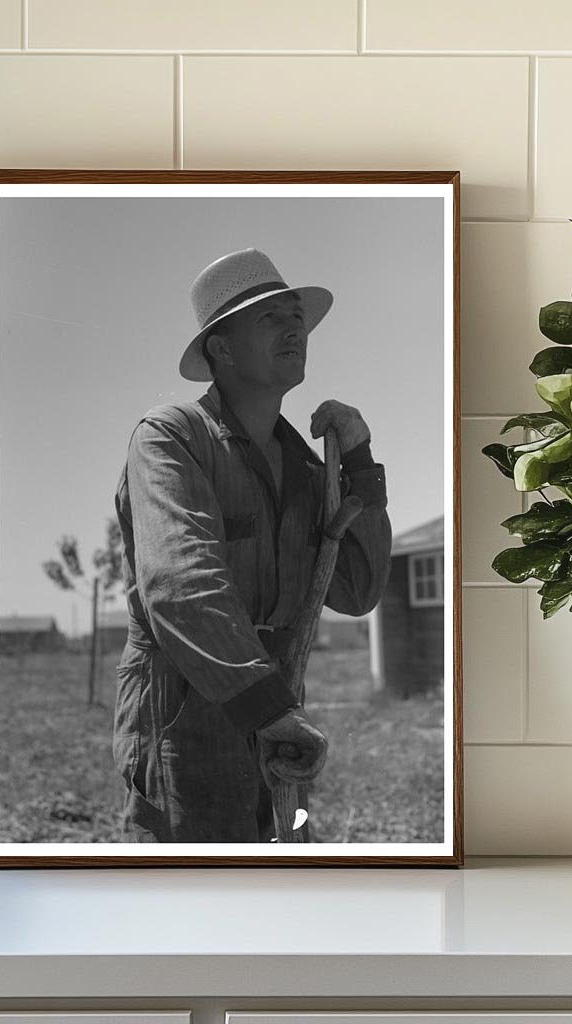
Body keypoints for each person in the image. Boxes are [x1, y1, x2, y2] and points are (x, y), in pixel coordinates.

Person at [112, 248, 393, 843]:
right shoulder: (171, 437)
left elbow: (358, 588)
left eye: (297, 316)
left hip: (276, 701)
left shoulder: (305, 463)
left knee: (277, 889)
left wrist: (359, 462)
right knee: (199, 903)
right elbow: (180, 588)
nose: (295, 328)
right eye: (270, 317)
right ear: (221, 347)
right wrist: (268, 709)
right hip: (186, 709)